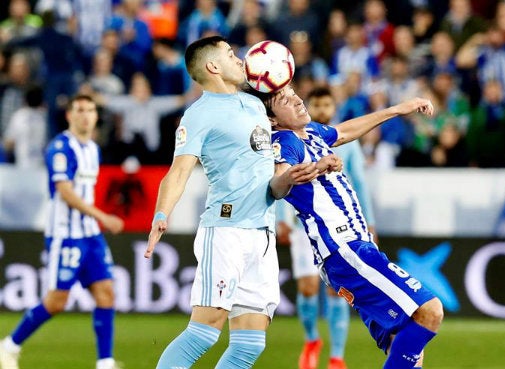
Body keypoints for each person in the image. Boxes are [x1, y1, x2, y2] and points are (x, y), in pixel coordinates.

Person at [143, 35, 337, 369]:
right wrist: (162, 212)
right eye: (231, 54)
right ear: (212, 66)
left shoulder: (253, 101)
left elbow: (295, 110)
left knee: (250, 343)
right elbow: (178, 172)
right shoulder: (198, 115)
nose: (240, 59)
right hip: (226, 230)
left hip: (261, 232)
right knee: (204, 332)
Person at [248, 84, 444, 369]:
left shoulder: (313, 133)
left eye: (294, 94)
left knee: (402, 340)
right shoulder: (285, 141)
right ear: (272, 120)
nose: (298, 100)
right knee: (429, 311)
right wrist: (304, 172)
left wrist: (397, 110)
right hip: (345, 250)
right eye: (285, 100)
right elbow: (277, 184)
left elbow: (345, 131)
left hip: (354, 250)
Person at [0, 94, 125, 369]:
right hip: (65, 234)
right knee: (57, 301)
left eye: (90, 110)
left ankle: (105, 362)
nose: (85, 115)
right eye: (79, 110)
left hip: (91, 234)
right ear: (69, 115)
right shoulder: (60, 148)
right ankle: (8, 346)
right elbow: (65, 192)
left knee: (106, 293)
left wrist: (97, 220)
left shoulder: (93, 148)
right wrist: (103, 215)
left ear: (95, 116)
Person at [277, 86, 377, 369]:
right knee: (308, 289)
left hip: (340, 227)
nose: (321, 110)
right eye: (316, 105)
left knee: (339, 291)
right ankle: (311, 340)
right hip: (303, 227)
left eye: (326, 105)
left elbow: (359, 185)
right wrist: (281, 219)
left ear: (333, 107)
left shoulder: (347, 142)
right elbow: (284, 176)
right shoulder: (294, 138)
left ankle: (336, 357)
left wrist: (369, 222)